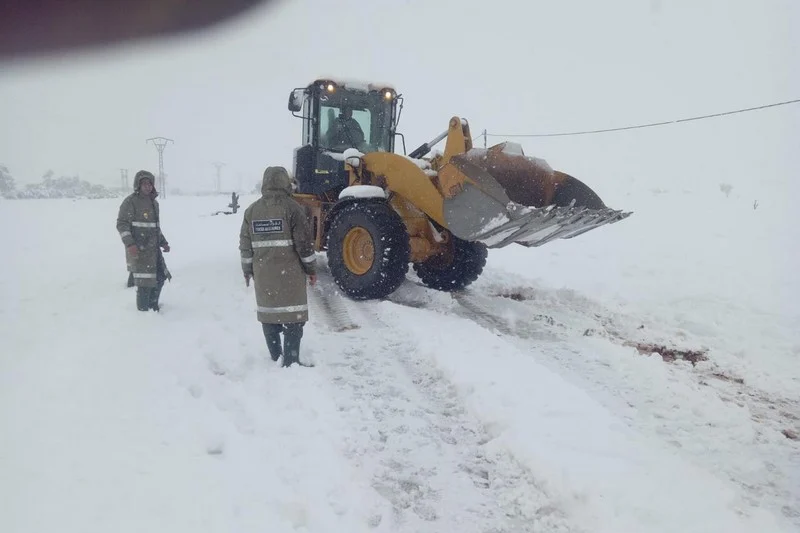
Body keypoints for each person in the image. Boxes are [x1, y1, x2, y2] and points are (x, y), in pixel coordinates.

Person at [239, 166, 317, 367]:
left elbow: (245, 245)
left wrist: (247, 270)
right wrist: (311, 269)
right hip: (290, 274)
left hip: (264, 275)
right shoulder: (293, 209)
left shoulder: (251, 211)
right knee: (294, 316)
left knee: (269, 315)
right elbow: (304, 245)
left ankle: (275, 357)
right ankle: (290, 361)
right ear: (285, 183)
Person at [116, 170, 172, 311]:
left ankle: (153, 306)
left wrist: (163, 242)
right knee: (144, 282)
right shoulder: (130, 202)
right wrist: (130, 243)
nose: (147, 186)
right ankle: (142, 312)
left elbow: (154, 227)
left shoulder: (154, 203)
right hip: (140, 250)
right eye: (144, 183)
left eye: (150, 184)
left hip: (154, 250)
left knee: (160, 277)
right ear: (138, 185)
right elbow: (122, 224)